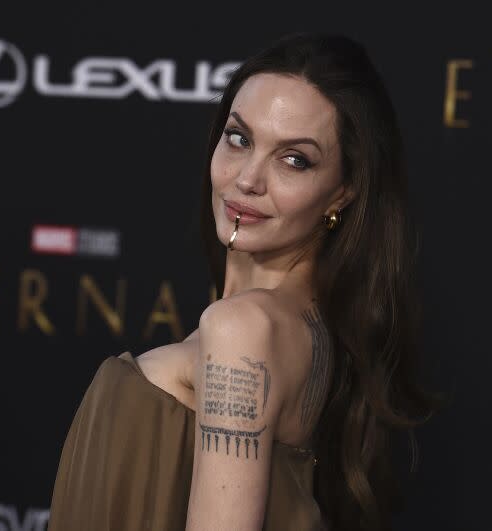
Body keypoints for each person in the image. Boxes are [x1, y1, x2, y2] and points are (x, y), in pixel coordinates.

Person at [47, 31, 434, 531]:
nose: (248, 178)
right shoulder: (307, 325)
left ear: (342, 192)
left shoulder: (242, 329)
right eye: (239, 138)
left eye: (294, 159)